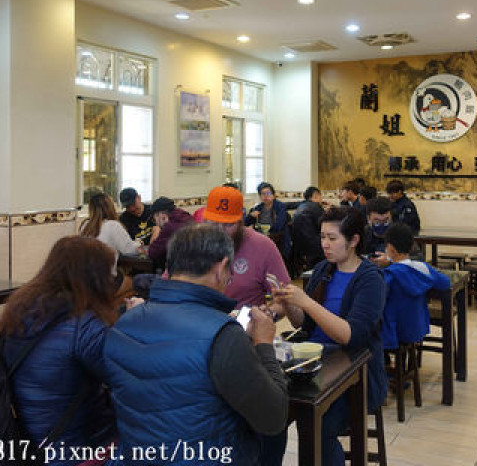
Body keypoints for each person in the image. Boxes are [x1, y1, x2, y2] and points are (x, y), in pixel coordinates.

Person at [103, 224, 288, 466]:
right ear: (221, 268)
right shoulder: (223, 335)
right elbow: (273, 417)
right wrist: (263, 343)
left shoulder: (123, 324)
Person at [270, 206, 387, 466]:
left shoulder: (370, 279)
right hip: (314, 364)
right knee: (269, 414)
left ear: (354, 240)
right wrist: (289, 303)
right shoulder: (324, 269)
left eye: (332, 238)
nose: (325, 244)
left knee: (318, 427)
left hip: (355, 373)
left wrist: (307, 302)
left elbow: (351, 336)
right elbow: (305, 324)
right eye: (322, 236)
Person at [0, 236, 118, 465]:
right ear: (95, 278)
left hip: (23, 441)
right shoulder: (85, 326)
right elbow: (123, 377)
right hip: (74, 450)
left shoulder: (19, 311)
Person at [203, 185, 291, 308]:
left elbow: (286, 298)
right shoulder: (192, 245)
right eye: (213, 224)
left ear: (240, 222)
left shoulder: (263, 246)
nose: (220, 231)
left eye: (228, 225)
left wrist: (269, 312)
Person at [381, 223, 450, 347]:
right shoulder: (423, 268)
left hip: (393, 332)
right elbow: (445, 282)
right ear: (412, 247)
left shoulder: (388, 275)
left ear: (390, 248)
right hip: (416, 328)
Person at [80, 193, 141, 266]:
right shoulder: (113, 225)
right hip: (104, 272)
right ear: (110, 207)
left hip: (85, 271)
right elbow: (130, 251)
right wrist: (138, 243)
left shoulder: (85, 225)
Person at [244, 182, 291, 259]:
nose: (265, 196)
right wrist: (250, 216)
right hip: (260, 241)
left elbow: (279, 226)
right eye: (263, 194)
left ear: (273, 195)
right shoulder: (258, 208)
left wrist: (264, 231)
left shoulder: (280, 207)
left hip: (278, 241)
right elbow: (245, 224)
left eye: (268, 193)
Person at [147, 196, 194, 268]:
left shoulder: (169, 227)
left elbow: (152, 253)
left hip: (183, 269)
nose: (156, 223)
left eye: (154, 219)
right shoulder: (188, 217)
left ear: (162, 216)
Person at [291, 185, 326, 269]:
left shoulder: (301, 206)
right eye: (320, 196)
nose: (321, 199)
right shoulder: (316, 208)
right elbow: (325, 226)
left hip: (299, 248)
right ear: (315, 195)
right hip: (315, 248)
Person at [363, 196, 393, 268]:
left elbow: (416, 259)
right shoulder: (361, 236)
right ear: (368, 219)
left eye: (386, 221)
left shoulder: (401, 234)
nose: (382, 225)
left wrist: (391, 260)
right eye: (377, 221)